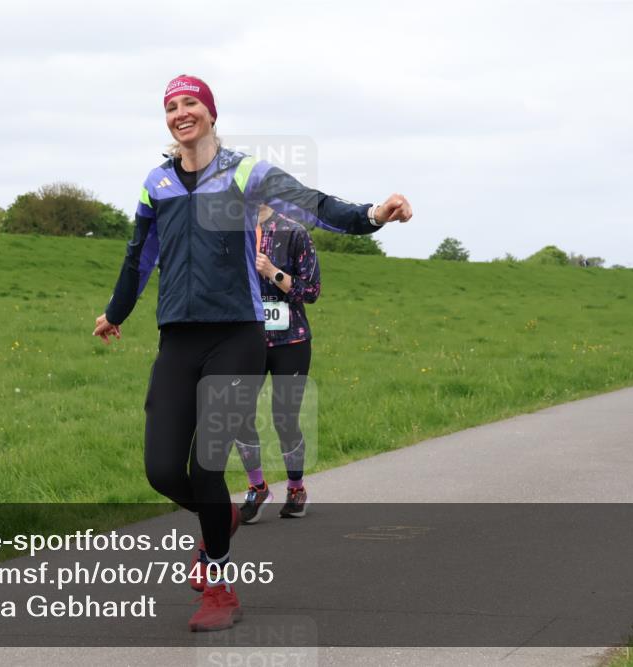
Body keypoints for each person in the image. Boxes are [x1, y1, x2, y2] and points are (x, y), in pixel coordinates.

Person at [92, 74, 413, 632]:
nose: (181, 113)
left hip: (237, 337)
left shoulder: (246, 172)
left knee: (207, 465)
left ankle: (217, 584)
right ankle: (224, 519)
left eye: (191, 103)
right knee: (163, 471)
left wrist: (372, 216)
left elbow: (314, 206)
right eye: (172, 106)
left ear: (211, 113)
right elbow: (137, 256)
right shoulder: (157, 182)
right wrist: (115, 314)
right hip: (178, 338)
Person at [236, 204, 319, 523]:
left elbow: (311, 291)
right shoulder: (227, 232)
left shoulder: (294, 233)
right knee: (238, 414)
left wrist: (273, 272)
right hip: (246, 339)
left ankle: (296, 490)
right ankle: (257, 487)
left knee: (284, 418)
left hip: (291, 341)